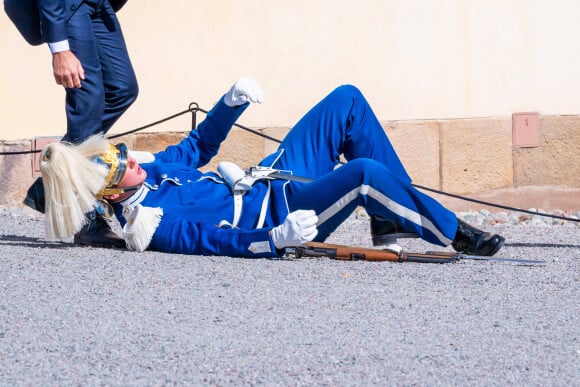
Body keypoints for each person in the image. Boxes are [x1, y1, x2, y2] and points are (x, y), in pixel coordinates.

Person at [38, 78, 505, 258]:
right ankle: (451, 232)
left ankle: (389, 217)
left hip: (269, 176)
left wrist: (228, 103)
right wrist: (276, 240)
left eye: (122, 155)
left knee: (346, 100)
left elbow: (197, 146)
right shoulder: (150, 225)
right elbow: (216, 241)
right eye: (122, 168)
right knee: (363, 173)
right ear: (112, 194)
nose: (131, 162)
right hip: (284, 215)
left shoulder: (153, 174)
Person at [5, 0, 139, 247]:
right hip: (65, 4)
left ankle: (51, 183)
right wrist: (60, 50)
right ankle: (84, 217)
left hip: (97, 5)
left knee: (121, 89)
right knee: (88, 97)